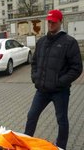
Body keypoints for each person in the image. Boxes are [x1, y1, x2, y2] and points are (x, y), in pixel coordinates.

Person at [24, 9, 83, 150]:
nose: (50, 24)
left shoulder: (69, 42)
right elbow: (35, 62)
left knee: (61, 120)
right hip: (42, 90)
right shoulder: (42, 41)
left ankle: (61, 146)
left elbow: (76, 68)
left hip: (59, 91)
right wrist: (35, 78)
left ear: (60, 22)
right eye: (49, 21)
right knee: (31, 115)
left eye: (53, 22)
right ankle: (25, 142)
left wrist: (60, 82)